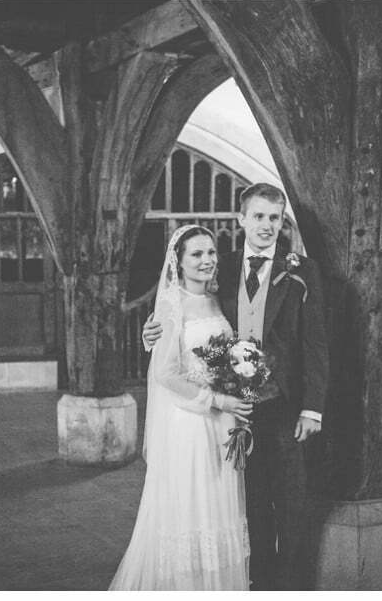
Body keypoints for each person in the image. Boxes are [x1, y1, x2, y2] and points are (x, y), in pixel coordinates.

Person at [143, 183, 329, 590]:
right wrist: (152, 331)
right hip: (232, 414)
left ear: (282, 223)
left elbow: (316, 344)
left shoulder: (302, 270)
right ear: (241, 219)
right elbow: (182, 311)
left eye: (274, 218)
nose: (266, 225)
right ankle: (258, 585)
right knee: (250, 506)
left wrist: (312, 407)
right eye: (258, 216)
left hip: (284, 405)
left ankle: (291, 589)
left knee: (291, 504)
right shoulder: (221, 268)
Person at [109, 224, 254, 590]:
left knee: (219, 510)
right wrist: (217, 399)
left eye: (211, 252)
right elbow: (165, 373)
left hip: (222, 423)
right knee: (192, 511)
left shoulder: (218, 298)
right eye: (197, 254)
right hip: (191, 421)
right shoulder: (171, 305)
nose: (207, 260)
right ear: (179, 260)